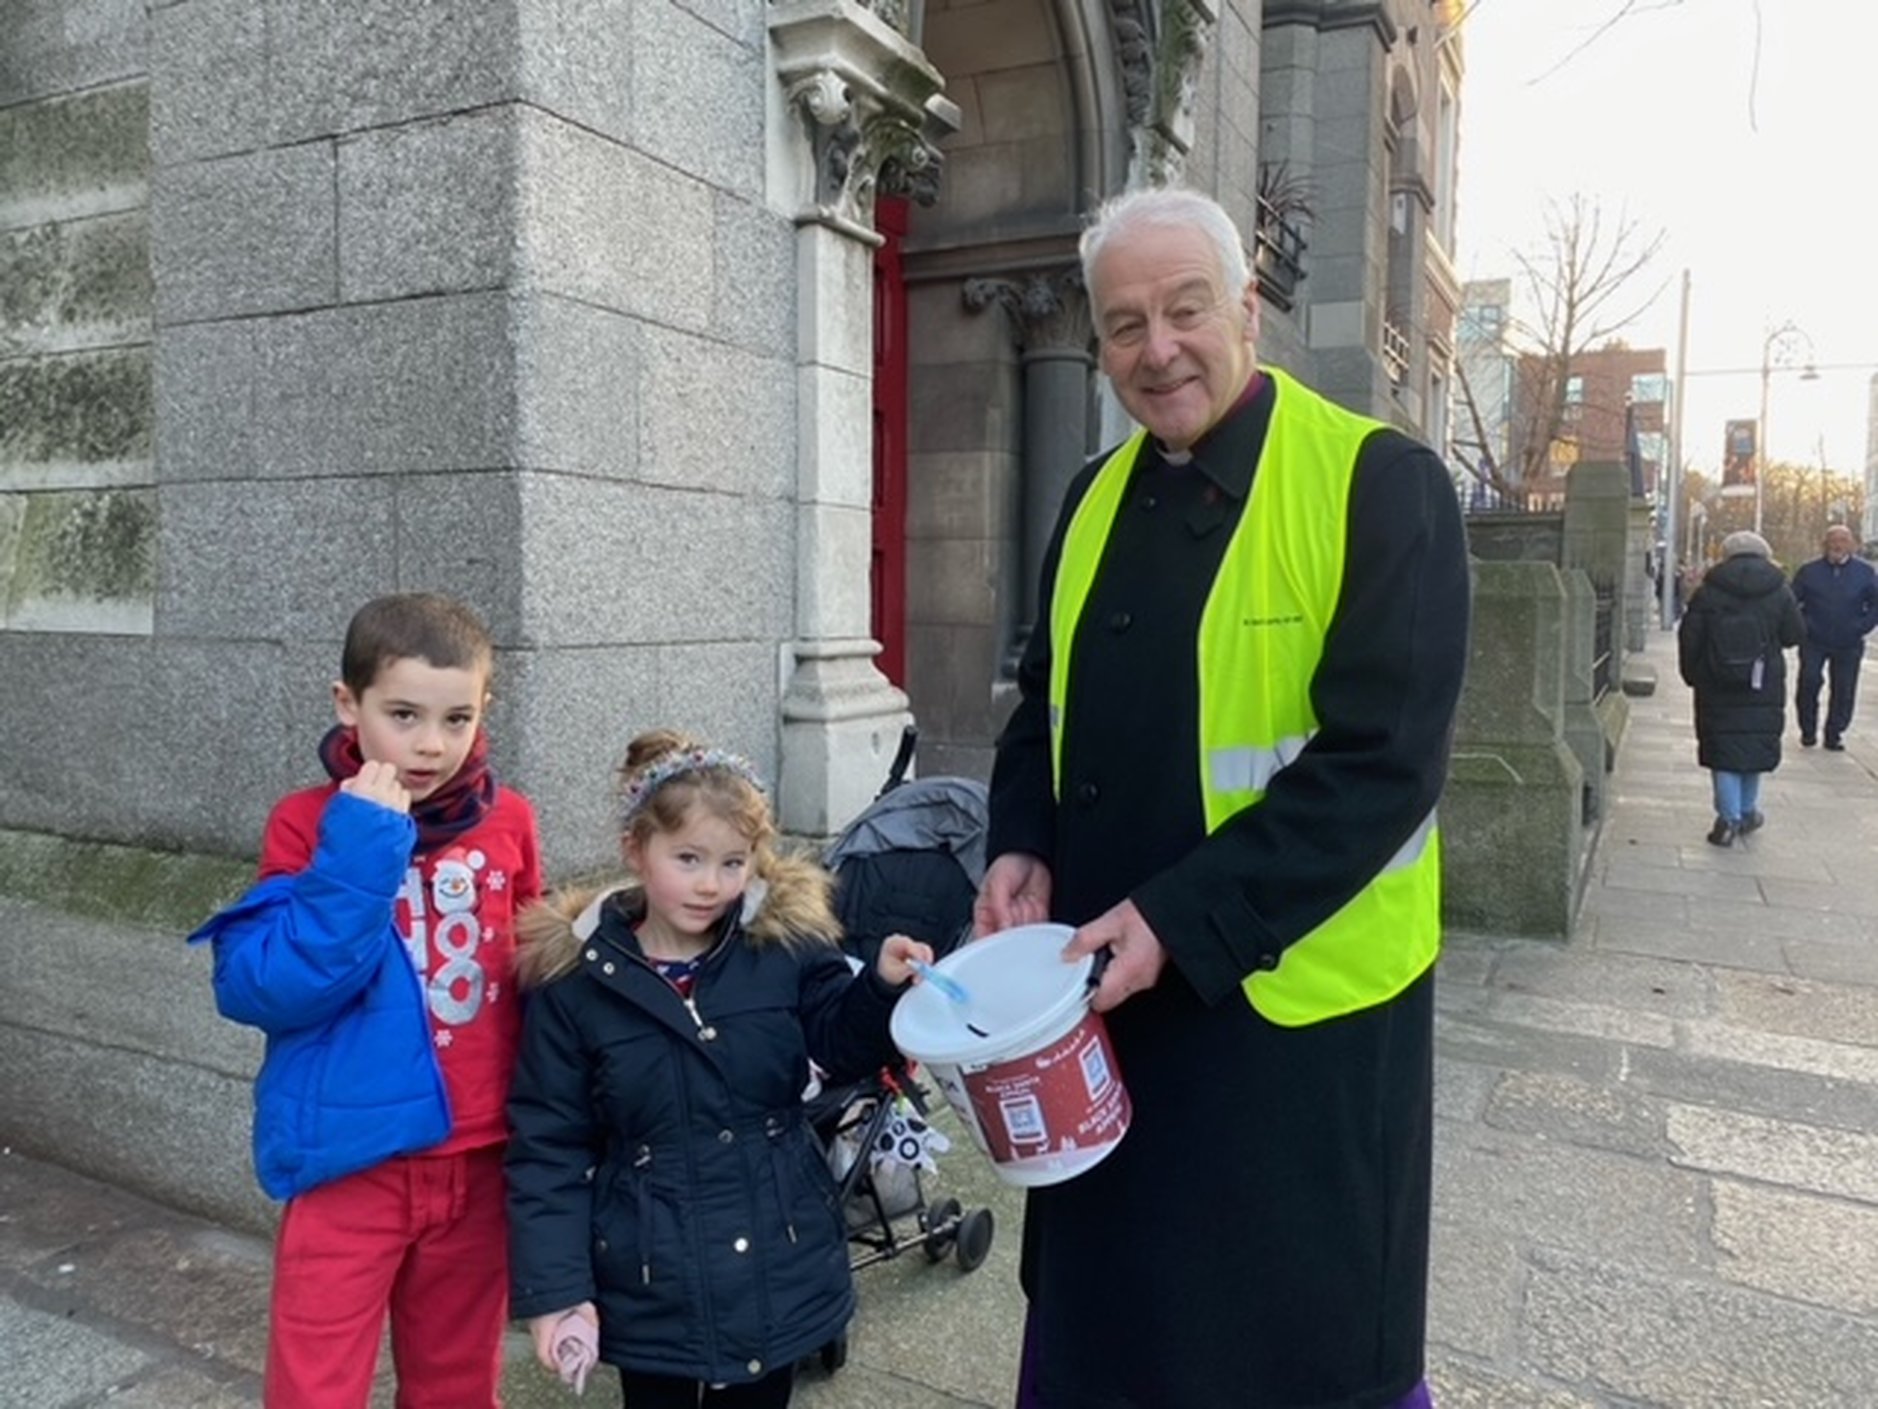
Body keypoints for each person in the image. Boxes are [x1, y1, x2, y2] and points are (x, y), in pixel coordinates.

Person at [974, 187, 1470, 1408]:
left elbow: (1382, 765)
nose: (1158, 348)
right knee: (1114, 1331)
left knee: (1279, 1350)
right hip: (1107, 997)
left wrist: (1177, 923)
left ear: (1246, 308)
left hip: (1290, 1025)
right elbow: (1041, 704)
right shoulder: (1090, 493)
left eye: (1186, 309)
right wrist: (1021, 841)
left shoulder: (1378, 483)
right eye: (1124, 323)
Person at [504, 729, 934, 1409]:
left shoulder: (784, 947)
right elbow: (548, 1145)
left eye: (733, 862)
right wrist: (558, 1292)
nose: (712, 883)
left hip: (777, 1250)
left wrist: (878, 988)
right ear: (635, 850)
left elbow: (844, 1045)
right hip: (652, 1271)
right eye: (688, 858)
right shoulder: (577, 983)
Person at [187, 592, 542, 1406]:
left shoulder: (511, 819)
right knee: (317, 1382)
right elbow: (266, 985)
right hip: (351, 1159)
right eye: (404, 713)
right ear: (349, 705)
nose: (430, 744)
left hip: (479, 1147)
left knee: (458, 1379)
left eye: (457, 718)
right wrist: (361, 847)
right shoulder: (306, 823)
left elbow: (528, 967)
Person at [1678, 530, 1804, 846]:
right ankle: (1747, 811)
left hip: (1716, 681)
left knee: (1723, 747)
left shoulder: (1709, 590)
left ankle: (1727, 817)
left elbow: (1690, 636)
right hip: (1762, 681)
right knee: (1754, 743)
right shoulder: (1779, 590)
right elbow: (1793, 634)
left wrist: (1693, 674)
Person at [1789, 523, 1877, 750]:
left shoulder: (1865, 572)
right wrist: (1803, 626)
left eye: (1843, 540)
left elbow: (1875, 604)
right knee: (1809, 682)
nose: (1837, 545)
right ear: (1824, 544)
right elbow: (1791, 602)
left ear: (1851, 545)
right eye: (1833, 541)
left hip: (1849, 641)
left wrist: (1862, 626)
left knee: (1844, 688)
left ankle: (1834, 733)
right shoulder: (1809, 571)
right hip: (1814, 639)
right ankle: (1808, 730)